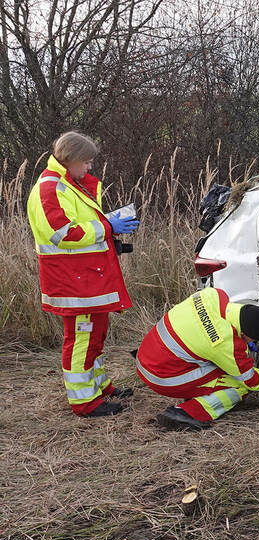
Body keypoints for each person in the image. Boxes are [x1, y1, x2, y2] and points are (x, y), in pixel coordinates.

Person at [26, 131, 139, 417]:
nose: (89, 168)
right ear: (71, 158)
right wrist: (108, 226)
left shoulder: (67, 184)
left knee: (95, 336)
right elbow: (61, 233)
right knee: (81, 340)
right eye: (86, 162)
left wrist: (108, 225)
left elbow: (79, 226)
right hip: (74, 282)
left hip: (87, 278)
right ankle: (84, 402)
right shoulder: (50, 188)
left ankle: (98, 388)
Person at [135, 287, 259, 429]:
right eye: (251, 340)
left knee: (222, 369)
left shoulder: (214, 294)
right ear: (245, 334)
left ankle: (198, 392)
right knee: (238, 386)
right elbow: (252, 381)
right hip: (161, 376)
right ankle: (186, 412)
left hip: (147, 355)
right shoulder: (226, 343)